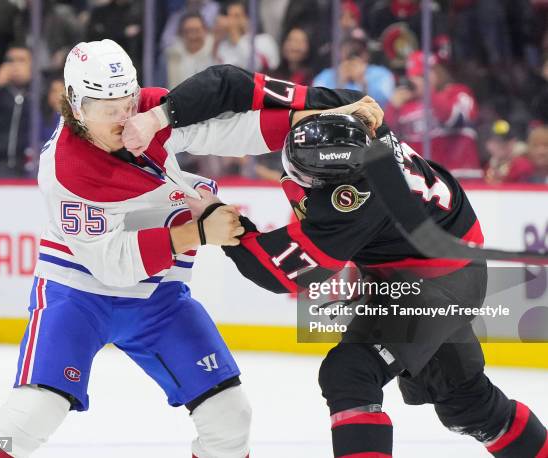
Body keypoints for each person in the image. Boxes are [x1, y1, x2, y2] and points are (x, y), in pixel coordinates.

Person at [0, 41, 378, 458]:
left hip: (158, 299)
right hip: (78, 296)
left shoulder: (146, 114)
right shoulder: (66, 171)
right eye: (106, 109)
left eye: (127, 103)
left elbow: (227, 129)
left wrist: (315, 117)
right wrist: (197, 235)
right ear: (77, 107)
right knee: (32, 414)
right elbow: (113, 264)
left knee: (229, 416)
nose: (122, 120)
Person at [187, 112, 548, 458]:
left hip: (432, 287)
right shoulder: (367, 131)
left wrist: (227, 227)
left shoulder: (353, 201)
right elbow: (329, 101)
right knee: (468, 405)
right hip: (448, 274)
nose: (300, 187)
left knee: (350, 373)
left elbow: (280, 273)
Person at [385, 50, 483, 179]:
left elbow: (454, 119)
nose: (417, 81)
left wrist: (428, 93)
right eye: (415, 76)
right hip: (425, 183)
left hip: (461, 178)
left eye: (422, 75)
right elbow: (386, 141)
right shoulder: (404, 106)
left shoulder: (457, 93)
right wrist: (392, 108)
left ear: (438, 72)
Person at [0, 44, 32, 177]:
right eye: (10, 61)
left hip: (30, 163)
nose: (15, 66)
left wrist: (33, 83)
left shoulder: (39, 91)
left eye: (21, 60)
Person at [313, 34, 395, 107]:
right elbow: (317, 102)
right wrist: (340, 83)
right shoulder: (326, 75)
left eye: (358, 50)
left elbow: (387, 104)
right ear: (340, 53)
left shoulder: (381, 74)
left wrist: (362, 82)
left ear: (367, 53)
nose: (352, 55)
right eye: (347, 50)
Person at [165, 11, 215, 89]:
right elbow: (173, 89)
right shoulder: (174, 55)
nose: (192, 36)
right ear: (181, 34)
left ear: (205, 31)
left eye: (197, 31)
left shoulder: (215, 51)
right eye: (187, 31)